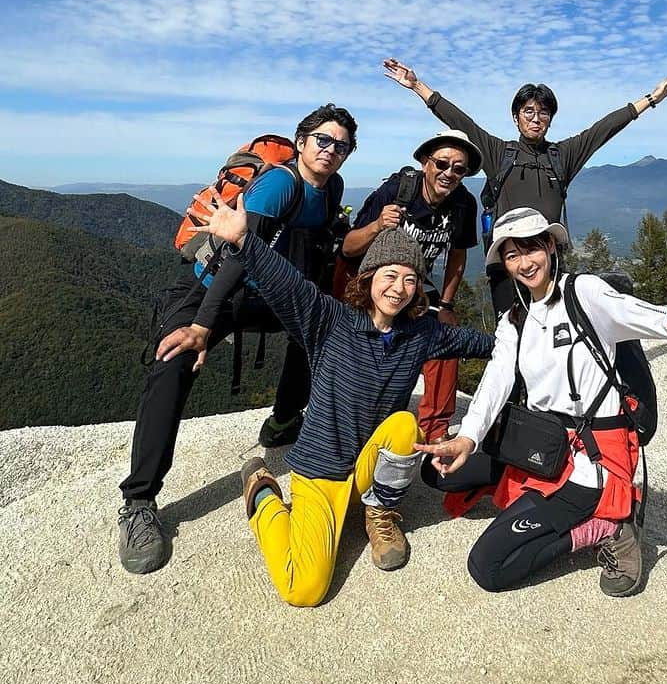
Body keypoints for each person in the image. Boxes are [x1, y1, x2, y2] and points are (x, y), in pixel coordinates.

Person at [190, 193, 496, 606]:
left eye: (410, 279)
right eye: (390, 275)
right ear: (368, 278)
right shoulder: (331, 322)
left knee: (406, 425)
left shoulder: (421, 334)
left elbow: (483, 344)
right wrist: (245, 241)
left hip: (369, 469)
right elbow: (289, 285)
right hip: (322, 469)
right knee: (304, 589)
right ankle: (262, 494)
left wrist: (535, 339)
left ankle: (380, 514)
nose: (400, 287)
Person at [117, 104, 356, 575]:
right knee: (172, 359)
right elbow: (236, 255)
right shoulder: (281, 184)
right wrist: (202, 325)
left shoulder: (333, 190)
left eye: (341, 145)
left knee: (327, 334)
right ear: (302, 141)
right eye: (323, 141)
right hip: (216, 288)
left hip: (269, 292)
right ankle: (139, 502)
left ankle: (284, 423)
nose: (331, 151)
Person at [417, 207, 667, 597]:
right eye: (511, 255)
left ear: (550, 245)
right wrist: (467, 438)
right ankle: (518, 491)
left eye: (530, 249)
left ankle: (610, 527)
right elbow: (496, 380)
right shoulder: (515, 317)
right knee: (436, 471)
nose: (523, 263)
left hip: (591, 457)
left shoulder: (583, 293)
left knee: (488, 567)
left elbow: (631, 313)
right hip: (542, 442)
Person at [382, 58, 667, 316]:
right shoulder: (500, 154)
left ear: (550, 119)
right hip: (505, 267)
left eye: (543, 113)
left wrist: (651, 99)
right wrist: (417, 85)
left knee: (551, 336)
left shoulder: (562, 156)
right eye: (528, 111)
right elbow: (460, 119)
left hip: (548, 264)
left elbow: (603, 129)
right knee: (511, 337)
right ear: (516, 117)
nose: (536, 119)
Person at [341, 128, 482, 443]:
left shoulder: (463, 204)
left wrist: (445, 306)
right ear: (424, 163)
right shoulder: (395, 191)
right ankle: (365, 421)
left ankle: (435, 433)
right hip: (372, 289)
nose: (449, 173)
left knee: (446, 343)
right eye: (441, 164)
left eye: (458, 169)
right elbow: (348, 248)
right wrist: (378, 225)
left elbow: (457, 256)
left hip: (414, 290)